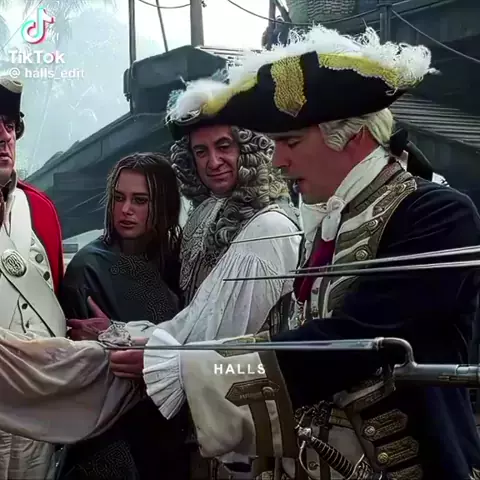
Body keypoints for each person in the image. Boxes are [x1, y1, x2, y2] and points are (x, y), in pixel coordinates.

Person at [140, 25, 480, 479]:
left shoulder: (437, 214)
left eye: (291, 142)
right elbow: (294, 327)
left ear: (350, 136)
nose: (278, 161)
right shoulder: (327, 218)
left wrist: (197, 372)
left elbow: (356, 339)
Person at [67, 107, 302, 477]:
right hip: (196, 422)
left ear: (250, 147)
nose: (213, 162)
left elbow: (216, 334)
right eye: (200, 151)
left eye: (224, 146)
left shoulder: (270, 227)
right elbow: (191, 317)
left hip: (246, 420)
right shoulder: (203, 215)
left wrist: (127, 339)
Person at [56, 153, 187, 479]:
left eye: (140, 200)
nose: (126, 209)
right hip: (107, 434)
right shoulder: (88, 267)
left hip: (173, 427)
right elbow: (77, 368)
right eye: (119, 198)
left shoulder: (181, 259)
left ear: (164, 204)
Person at [0, 75, 66, 479]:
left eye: (9, 124)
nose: (3, 137)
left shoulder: (41, 209)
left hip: (34, 411)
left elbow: (54, 294)